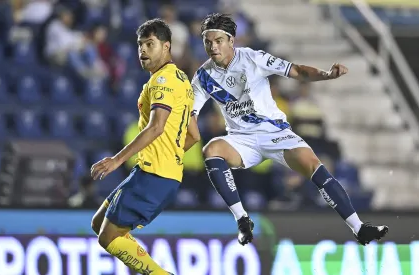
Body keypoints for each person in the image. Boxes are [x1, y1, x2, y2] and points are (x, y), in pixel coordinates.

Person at [185, 13, 388, 246]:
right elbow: (192, 113)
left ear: (232, 40)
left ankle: (359, 228)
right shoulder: (202, 76)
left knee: (314, 166)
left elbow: (297, 71)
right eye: (207, 42)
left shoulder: (253, 58)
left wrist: (326, 75)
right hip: (241, 140)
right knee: (212, 149)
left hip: (275, 133)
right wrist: (186, 138)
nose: (212, 47)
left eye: (218, 40)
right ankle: (242, 219)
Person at [90, 18, 195, 275]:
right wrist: (171, 155)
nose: (143, 51)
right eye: (140, 45)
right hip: (162, 174)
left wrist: (116, 160)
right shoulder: (181, 80)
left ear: (167, 46)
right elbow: (193, 134)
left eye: (150, 44)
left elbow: (156, 126)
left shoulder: (163, 81)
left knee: (108, 237)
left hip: (154, 174)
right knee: (99, 223)